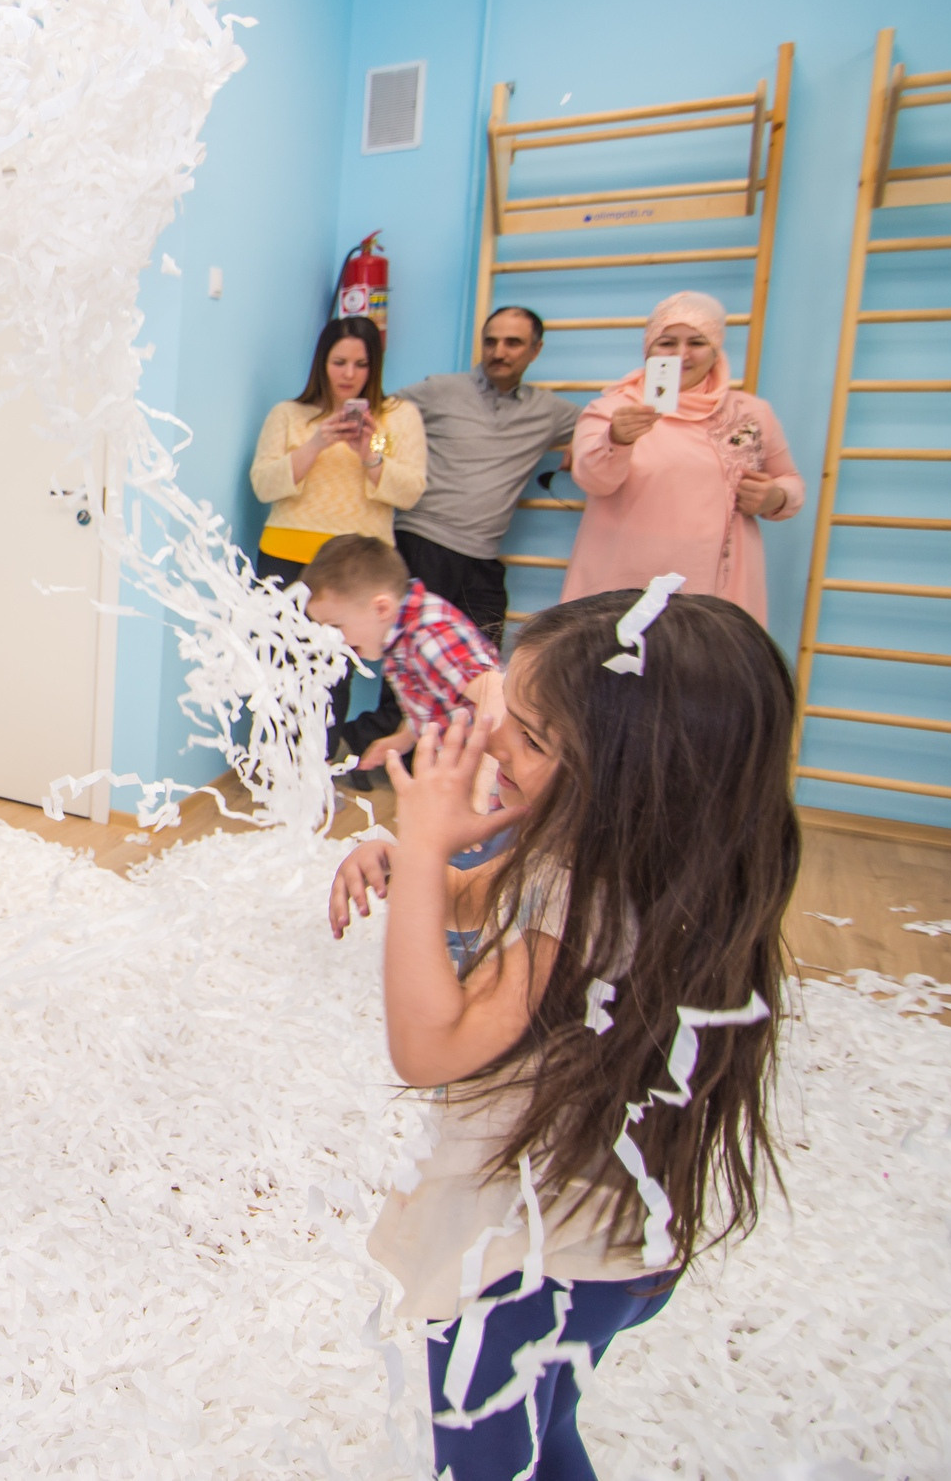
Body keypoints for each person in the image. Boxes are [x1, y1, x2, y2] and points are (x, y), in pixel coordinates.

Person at [327, 585, 796, 1479]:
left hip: (537, 1258)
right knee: (545, 1432)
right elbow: (479, 895)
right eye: (510, 706)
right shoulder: (611, 846)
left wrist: (423, 850)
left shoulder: (587, 898)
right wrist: (409, 863)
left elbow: (429, 1045)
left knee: (489, 1454)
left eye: (535, 738)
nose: (498, 739)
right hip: (604, 1242)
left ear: (635, 773)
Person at [249, 315, 428, 769]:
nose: (349, 374)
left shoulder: (395, 418)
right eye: (339, 362)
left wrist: (370, 453)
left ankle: (316, 773)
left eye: (361, 364)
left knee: (334, 675)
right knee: (277, 669)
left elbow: (409, 491)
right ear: (321, 363)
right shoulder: (289, 416)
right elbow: (263, 485)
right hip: (286, 557)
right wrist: (315, 444)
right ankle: (274, 772)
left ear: (375, 366)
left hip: (356, 567)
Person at [564, 292, 802, 625]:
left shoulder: (751, 413)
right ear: (648, 348)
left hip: (716, 590)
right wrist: (616, 440)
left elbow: (790, 480)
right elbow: (593, 481)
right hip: (623, 586)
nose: (681, 354)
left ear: (716, 349)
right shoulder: (611, 410)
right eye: (667, 343)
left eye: (697, 342)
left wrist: (775, 497)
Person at [298, 537, 504, 851]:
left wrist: (480, 788)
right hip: (452, 775)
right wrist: (404, 738)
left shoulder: (428, 633)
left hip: (484, 784)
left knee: (463, 862)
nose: (334, 640)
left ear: (381, 607)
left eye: (336, 626)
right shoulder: (402, 634)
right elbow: (437, 698)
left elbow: (496, 693)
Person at [395, 306, 579, 647]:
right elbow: (375, 415)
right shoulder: (440, 390)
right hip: (423, 544)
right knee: (413, 663)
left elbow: (600, 425)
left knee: (484, 663)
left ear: (535, 350)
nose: (498, 352)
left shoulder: (548, 411)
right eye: (491, 342)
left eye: (513, 343)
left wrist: (587, 444)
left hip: (482, 557)